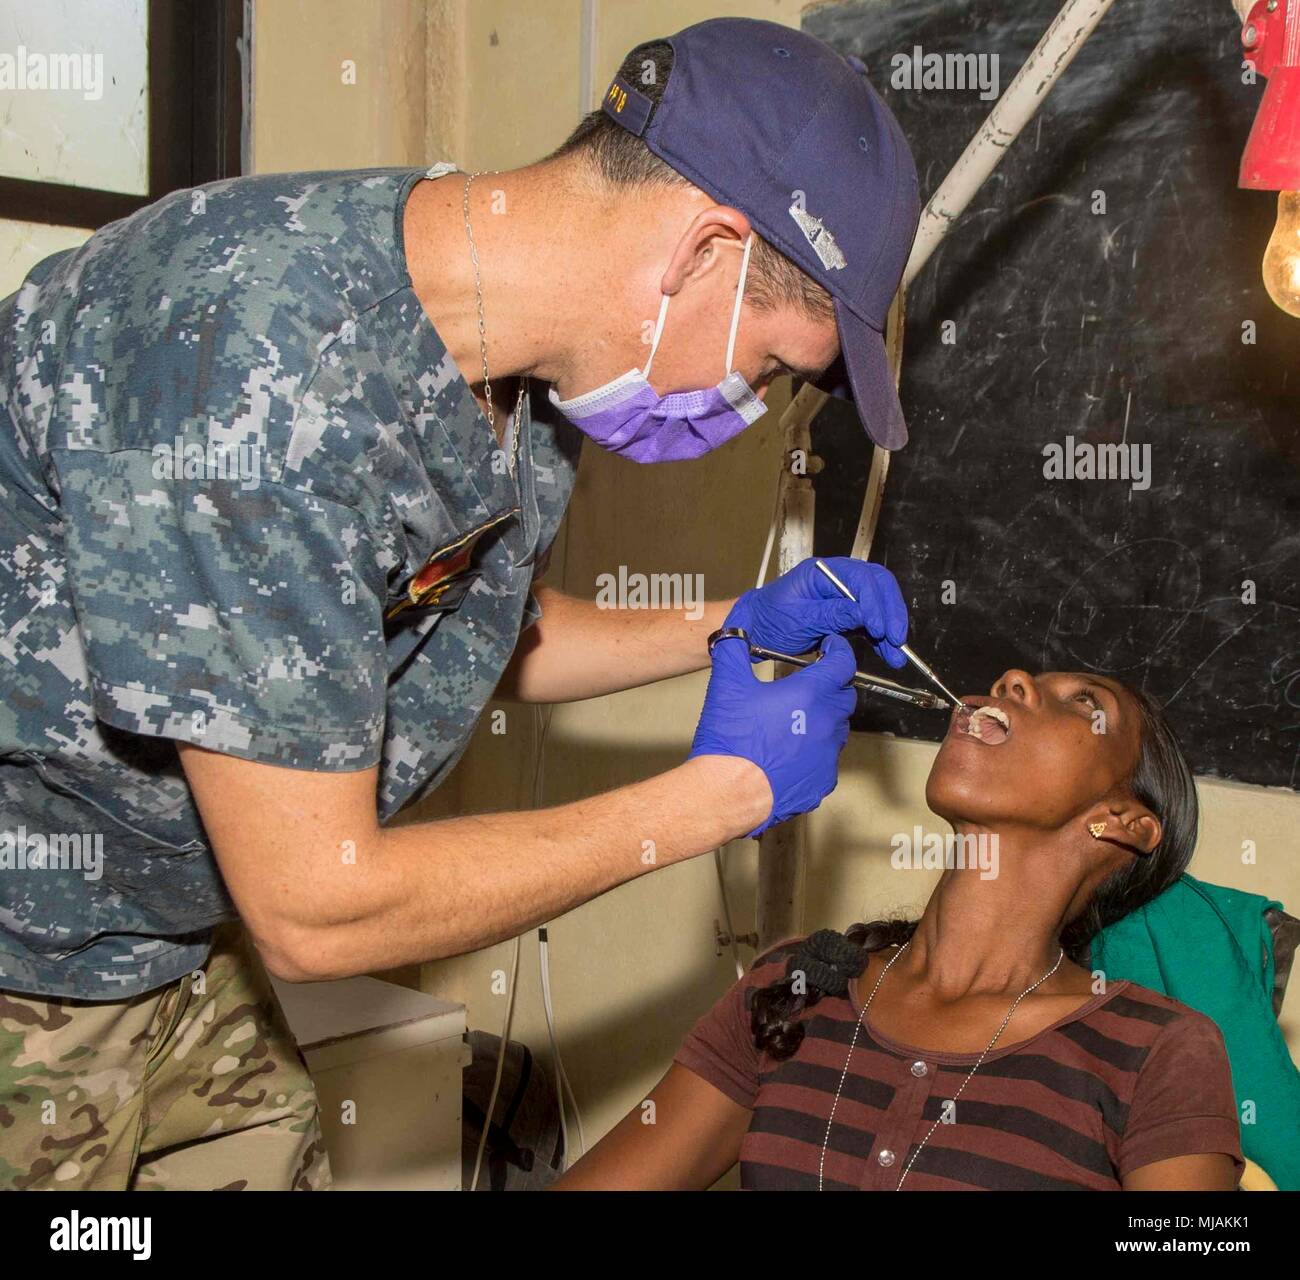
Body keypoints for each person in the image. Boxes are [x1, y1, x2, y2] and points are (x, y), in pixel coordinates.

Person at [0, 20, 919, 1189]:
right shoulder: (256, 382)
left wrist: (735, 619)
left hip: (177, 936)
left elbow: (475, 628)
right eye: (775, 365)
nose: (751, 402)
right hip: (32, 950)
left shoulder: (512, 349)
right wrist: (717, 795)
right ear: (703, 252)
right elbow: (317, 906)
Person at [554, 667, 1245, 1191]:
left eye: (1085, 704)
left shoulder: (1159, 1051)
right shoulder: (798, 987)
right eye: (1020, 678)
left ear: (1123, 823)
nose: (1011, 681)